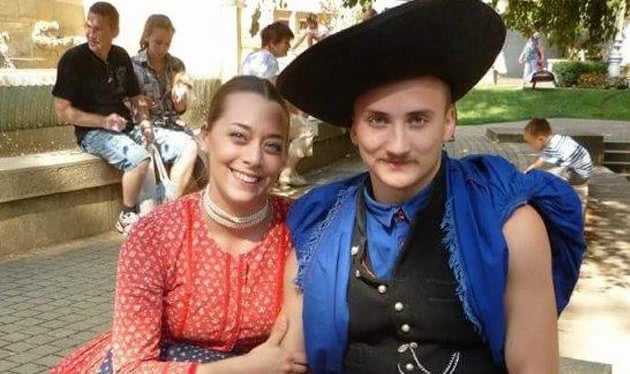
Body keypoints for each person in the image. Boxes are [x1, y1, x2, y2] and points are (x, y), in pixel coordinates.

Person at [277, 0, 586, 373]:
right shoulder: (317, 226)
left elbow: (534, 367)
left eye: (418, 119)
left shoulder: (510, 227)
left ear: (449, 121)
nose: (397, 145)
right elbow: (293, 357)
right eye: (377, 120)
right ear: (353, 129)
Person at [50, 76, 308, 373]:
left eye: (272, 146)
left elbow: (294, 356)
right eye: (238, 136)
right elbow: (131, 367)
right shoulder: (155, 235)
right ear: (205, 137)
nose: (253, 157)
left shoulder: (303, 226)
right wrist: (244, 368)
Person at [52, 2, 153, 234]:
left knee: (160, 147)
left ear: (113, 31)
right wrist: (103, 122)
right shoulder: (73, 60)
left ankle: (152, 216)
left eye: (98, 29)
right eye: (89, 26)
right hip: (92, 132)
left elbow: (136, 97)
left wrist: (145, 121)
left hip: (124, 127)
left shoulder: (120, 56)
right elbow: (63, 111)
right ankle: (127, 214)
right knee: (139, 160)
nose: (91, 33)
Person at [240, 21, 315, 187]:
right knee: (307, 129)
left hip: (245, 111)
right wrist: (296, 111)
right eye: (285, 43)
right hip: (264, 115)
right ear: (272, 44)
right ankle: (287, 173)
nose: (288, 47)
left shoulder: (250, 58)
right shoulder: (270, 60)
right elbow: (275, 94)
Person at [132, 14, 198, 199]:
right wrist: (140, 104)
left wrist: (180, 101)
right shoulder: (133, 66)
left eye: (167, 44)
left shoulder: (177, 65)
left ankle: (175, 205)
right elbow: (127, 106)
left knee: (208, 150)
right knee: (190, 147)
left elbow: (181, 109)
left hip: (172, 125)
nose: (162, 49)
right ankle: (170, 206)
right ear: (147, 38)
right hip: (146, 127)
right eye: (157, 43)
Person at [524, 118, 593, 184]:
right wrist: (529, 169)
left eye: (530, 142)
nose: (529, 146)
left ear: (541, 139)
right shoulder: (558, 139)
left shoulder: (553, 148)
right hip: (585, 171)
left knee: (546, 177)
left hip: (579, 176)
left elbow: (560, 165)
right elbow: (541, 159)